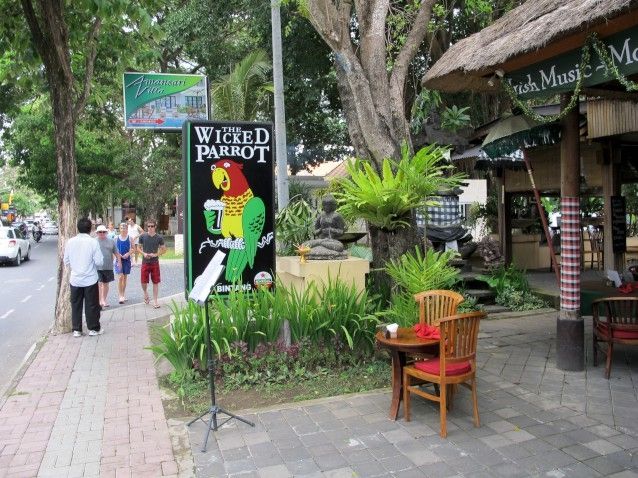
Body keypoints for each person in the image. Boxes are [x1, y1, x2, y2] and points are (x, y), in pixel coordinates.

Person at [63, 217, 103, 337]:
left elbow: (66, 260)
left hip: (75, 279)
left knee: (76, 304)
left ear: (78, 228)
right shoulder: (93, 242)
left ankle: (77, 330)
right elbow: (99, 262)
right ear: (90, 229)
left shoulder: (70, 242)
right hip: (90, 279)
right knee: (92, 305)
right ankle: (93, 329)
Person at [137, 219, 166, 308]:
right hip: (145, 262)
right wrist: (144, 254)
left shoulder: (159, 237)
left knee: (155, 282)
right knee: (143, 281)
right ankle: (145, 293)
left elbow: (164, 249)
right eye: (148, 226)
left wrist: (155, 254)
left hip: (154, 262)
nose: (150, 228)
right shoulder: (143, 236)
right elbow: (138, 248)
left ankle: (155, 301)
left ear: (155, 227)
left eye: (152, 226)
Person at [96, 225, 121, 309]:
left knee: (106, 284)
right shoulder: (94, 241)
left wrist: (119, 262)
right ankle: (99, 301)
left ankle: (103, 299)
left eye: (103, 232)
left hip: (108, 266)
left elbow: (116, 252)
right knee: (99, 284)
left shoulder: (111, 241)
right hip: (96, 267)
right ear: (97, 233)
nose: (102, 233)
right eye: (100, 232)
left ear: (106, 232)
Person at [114, 222, 133, 304]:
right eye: (121, 228)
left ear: (127, 229)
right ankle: (120, 295)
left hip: (126, 260)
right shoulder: (116, 238)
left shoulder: (130, 238)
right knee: (120, 277)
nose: (123, 229)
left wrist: (128, 254)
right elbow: (113, 249)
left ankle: (123, 294)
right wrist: (119, 255)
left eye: (124, 228)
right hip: (118, 260)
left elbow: (133, 248)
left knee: (124, 278)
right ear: (119, 229)